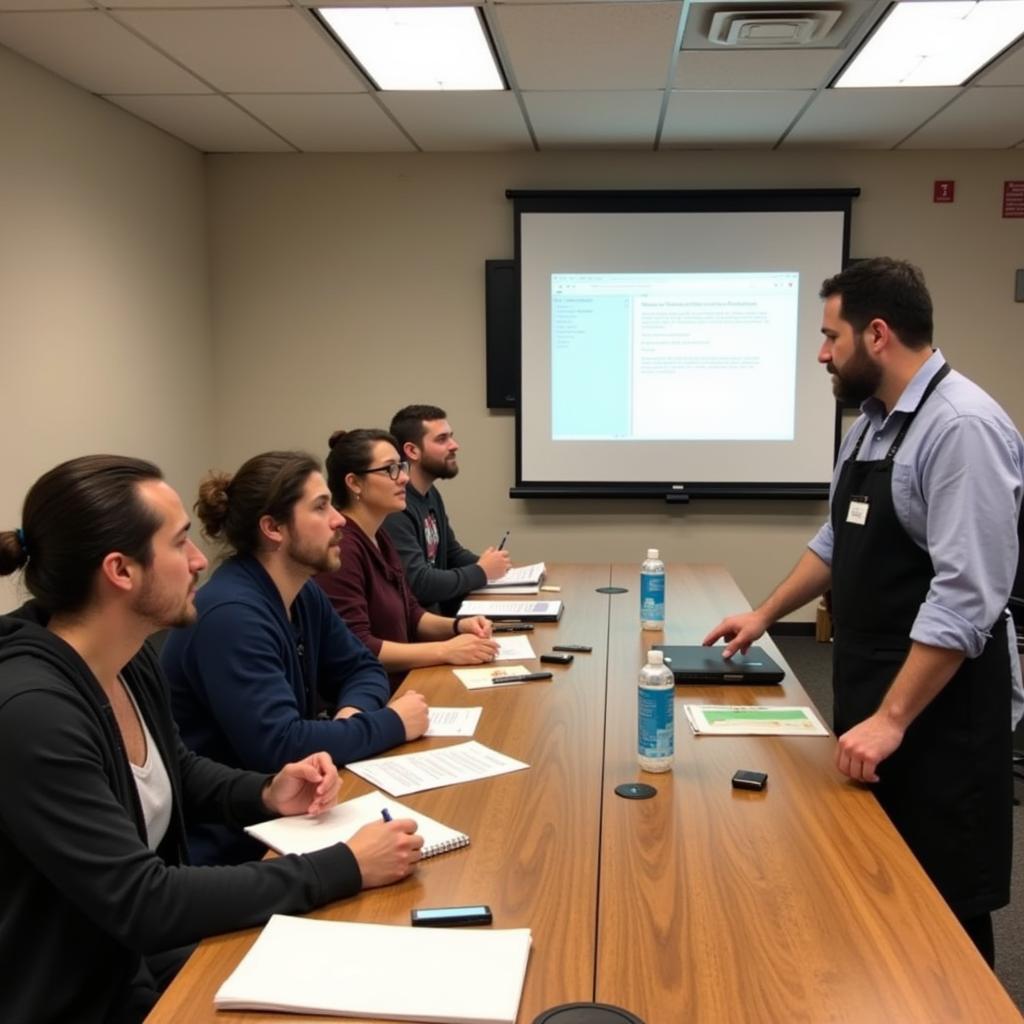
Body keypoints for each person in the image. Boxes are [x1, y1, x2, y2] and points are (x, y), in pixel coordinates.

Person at [0, 455, 424, 1024]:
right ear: (121, 571)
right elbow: (143, 901)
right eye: (179, 545)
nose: (201, 560)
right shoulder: (33, 712)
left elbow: (177, 767)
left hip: (132, 964)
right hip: (76, 997)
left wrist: (269, 791)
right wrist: (343, 865)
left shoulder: (125, 659)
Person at [703, 258, 1023, 967]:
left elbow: (967, 598)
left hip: (940, 709)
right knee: (876, 872)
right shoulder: (872, 426)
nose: (821, 354)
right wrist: (763, 614)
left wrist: (893, 718)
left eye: (829, 336)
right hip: (873, 678)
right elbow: (834, 542)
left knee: (941, 899)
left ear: (876, 334)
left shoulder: (962, 427)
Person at [161, 450, 428, 865]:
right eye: (321, 507)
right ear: (273, 528)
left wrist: (351, 719)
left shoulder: (302, 592)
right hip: (231, 849)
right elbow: (280, 747)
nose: (339, 520)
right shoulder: (231, 615)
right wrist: (392, 722)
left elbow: (363, 667)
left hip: (287, 823)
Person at [315, 429, 499, 692]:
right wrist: (444, 650)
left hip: (408, 682)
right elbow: (359, 645)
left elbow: (411, 614)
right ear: (354, 483)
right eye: (390, 470)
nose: (403, 478)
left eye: (401, 467)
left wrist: (458, 626)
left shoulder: (380, 535)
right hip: (375, 696)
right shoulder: (342, 549)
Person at [383, 404, 510, 614]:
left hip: (439, 618)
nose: (454, 445)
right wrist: (481, 571)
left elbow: (451, 554)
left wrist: (496, 567)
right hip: (419, 632)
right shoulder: (396, 506)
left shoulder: (430, 494)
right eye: (442, 439)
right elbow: (419, 583)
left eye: (451, 437)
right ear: (412, 451)